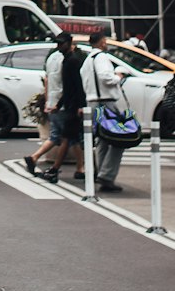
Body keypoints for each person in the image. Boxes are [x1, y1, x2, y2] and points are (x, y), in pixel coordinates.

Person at [81, 30, 130, 194]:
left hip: (93, 102)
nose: (106, 43)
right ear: (101, 42)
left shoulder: (88, 59)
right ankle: (107, 175)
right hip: (106, 102)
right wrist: (118, 76)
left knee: (103, 140)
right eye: (105, 41)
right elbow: (105, 77)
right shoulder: (101, 57)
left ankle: (103, 174)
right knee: (118, 139)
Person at [38, 38, 86, 184]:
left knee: (67, 138)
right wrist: (58, 105)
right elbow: (68, 88)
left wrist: (80, 106)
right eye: (58, 43)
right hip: (69, 105)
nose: (59, 46)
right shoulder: (66, 60)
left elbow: (76, 85)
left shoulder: (72, 61)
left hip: (72, 106)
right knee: (72, 139)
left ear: (69, 43)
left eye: (62, 43)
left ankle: (55, 170)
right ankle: (80, 168)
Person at [24, 33, 69, 174]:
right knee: (68, 136)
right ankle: (57, 166)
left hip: (52, 101)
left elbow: (47, 80)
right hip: (62, 103)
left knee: (58, 135)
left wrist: (47, 100)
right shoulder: (65, 59)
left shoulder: (51, 58)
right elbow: (66, 83)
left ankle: (35, 157)